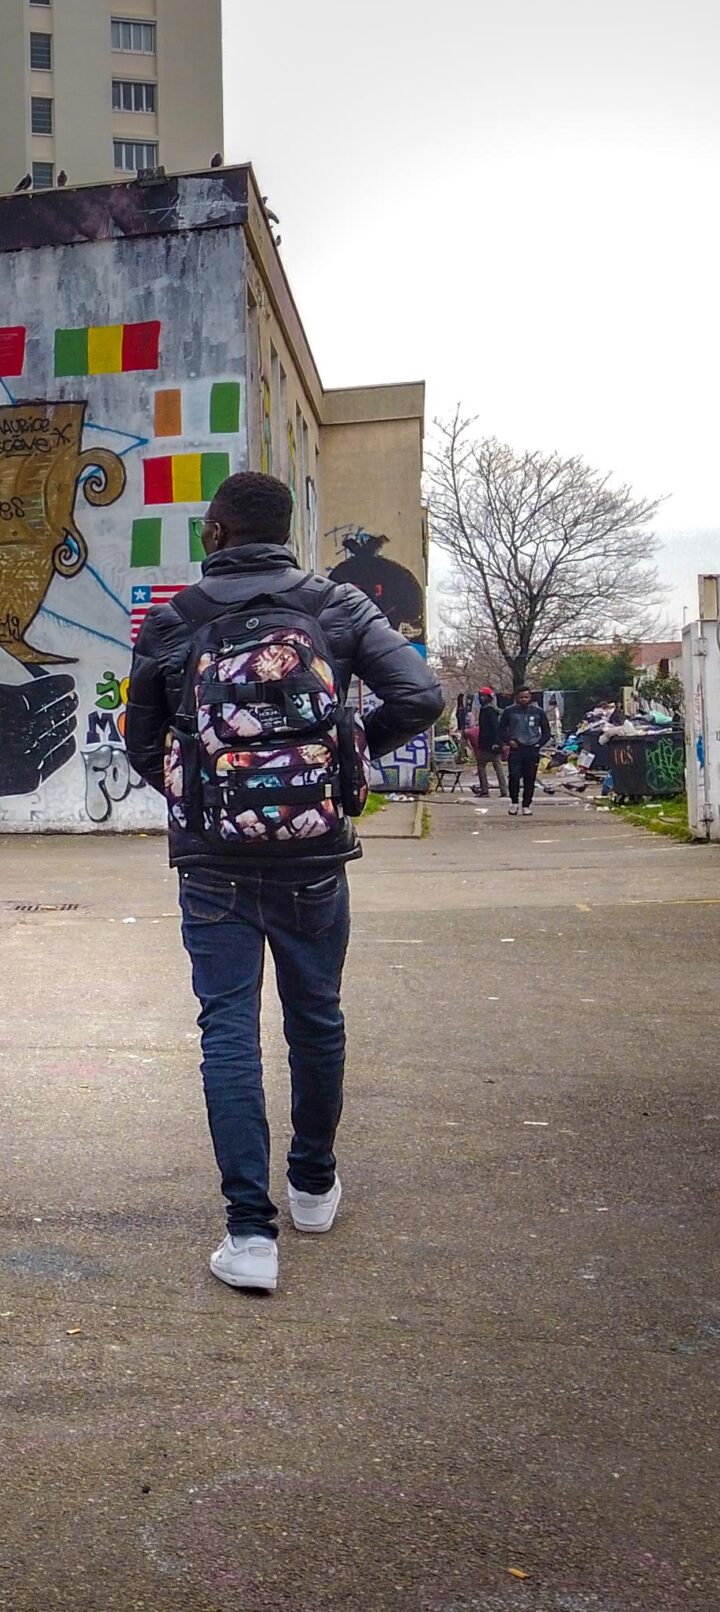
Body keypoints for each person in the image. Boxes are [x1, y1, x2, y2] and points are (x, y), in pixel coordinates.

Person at [125, 471, 441, 1294]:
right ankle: (311, 1184)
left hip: (212, 859)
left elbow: (140, 746)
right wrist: (341, 755)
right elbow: (420, 693)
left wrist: (212, 795)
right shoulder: (336, 606)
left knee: (228, 1029)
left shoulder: (171, 620)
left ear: (216, 531)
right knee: (316, 1016)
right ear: (288, 529)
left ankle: (249, 1235)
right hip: (313, 854)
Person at [500, 687, 550, 815]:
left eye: (526, 697)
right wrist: (509, 741)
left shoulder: (538, 712)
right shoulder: (509, 711)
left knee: (530, 778)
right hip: (516, 749)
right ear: (517, 697)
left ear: (530, 697)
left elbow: (546, 732)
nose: (524, 699)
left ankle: (526, 804)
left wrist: (538, 744)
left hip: (532, 749)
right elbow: (500, 729)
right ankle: (514, 802)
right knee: (514, 776)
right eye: (521, 697)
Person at [473, 688, 504, 798]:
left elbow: (495, 728)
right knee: (497, 767)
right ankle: (503, 791)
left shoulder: (488, 711)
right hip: (491, 743)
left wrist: (495, 742)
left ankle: (485, 790)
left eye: (483, 696)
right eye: (481, 695)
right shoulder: (492, 710)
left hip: (489, 744)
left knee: (482, 766)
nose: (481, 698)